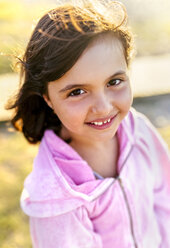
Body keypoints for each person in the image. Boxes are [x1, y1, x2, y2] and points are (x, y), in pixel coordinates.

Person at [7, 0, 170, 247]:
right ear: (48, 98)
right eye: (77, 92)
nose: (104, 107)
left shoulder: (139, 130)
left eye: (114, 82)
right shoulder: (56, 196)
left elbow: (164, 199)